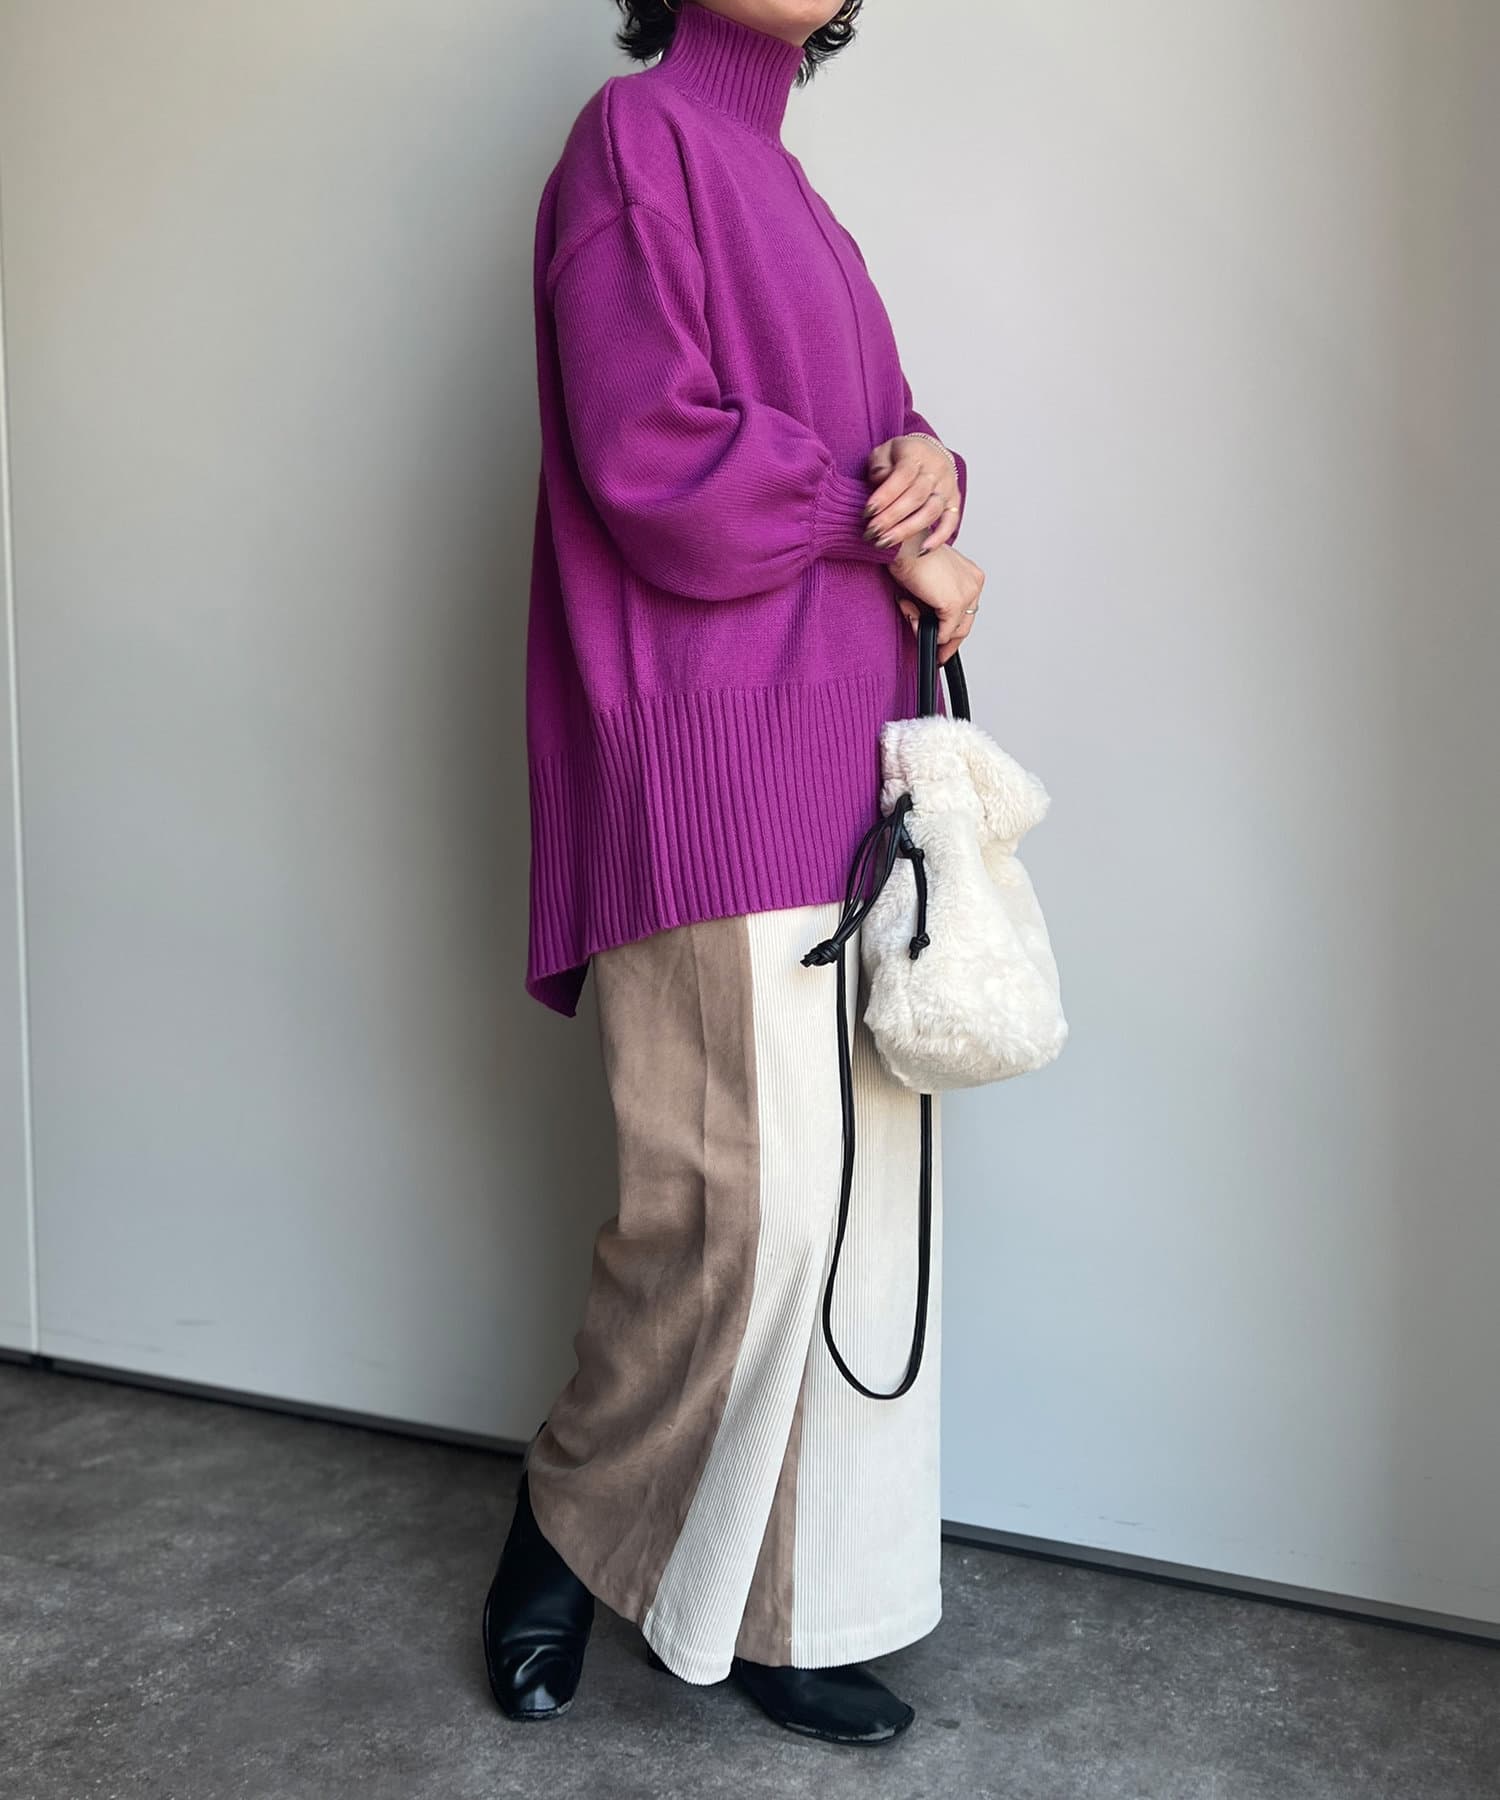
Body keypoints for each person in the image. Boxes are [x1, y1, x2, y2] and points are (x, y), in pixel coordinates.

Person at [482, 0, 986, 1747]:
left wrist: (931, 470)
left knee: (851, 1226)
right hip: (706, 757)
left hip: (849, 760)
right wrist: (871, 517)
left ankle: (795, 1604)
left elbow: (877, 438)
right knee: (737, 1212)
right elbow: (654, 457)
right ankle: (566, 1517)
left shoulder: (801, 199)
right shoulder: (637, 142)